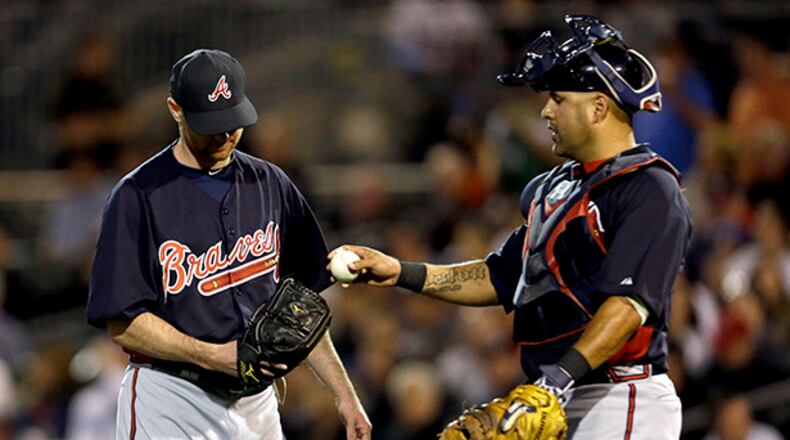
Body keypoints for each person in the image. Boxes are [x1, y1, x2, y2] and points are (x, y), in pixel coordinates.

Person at [335, 15, 692, 439]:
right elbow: (500, 275)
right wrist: (402, 272)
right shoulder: (553, 188)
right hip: (558, 393)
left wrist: (554, 383)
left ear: (598, 107)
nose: (545, 110)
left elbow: (628, 307)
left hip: (621, 395)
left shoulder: (649, 188)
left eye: (558, 98)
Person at [86, 49, 371, 440]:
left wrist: (344, 393)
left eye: (231, 122)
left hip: (257, 404)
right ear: (175, 109)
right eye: (211, 124)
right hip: (172, 397)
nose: (224, 135)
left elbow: (301, 305)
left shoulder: (271, 184)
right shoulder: (138, 195)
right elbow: (122, 323)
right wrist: (211, 354)